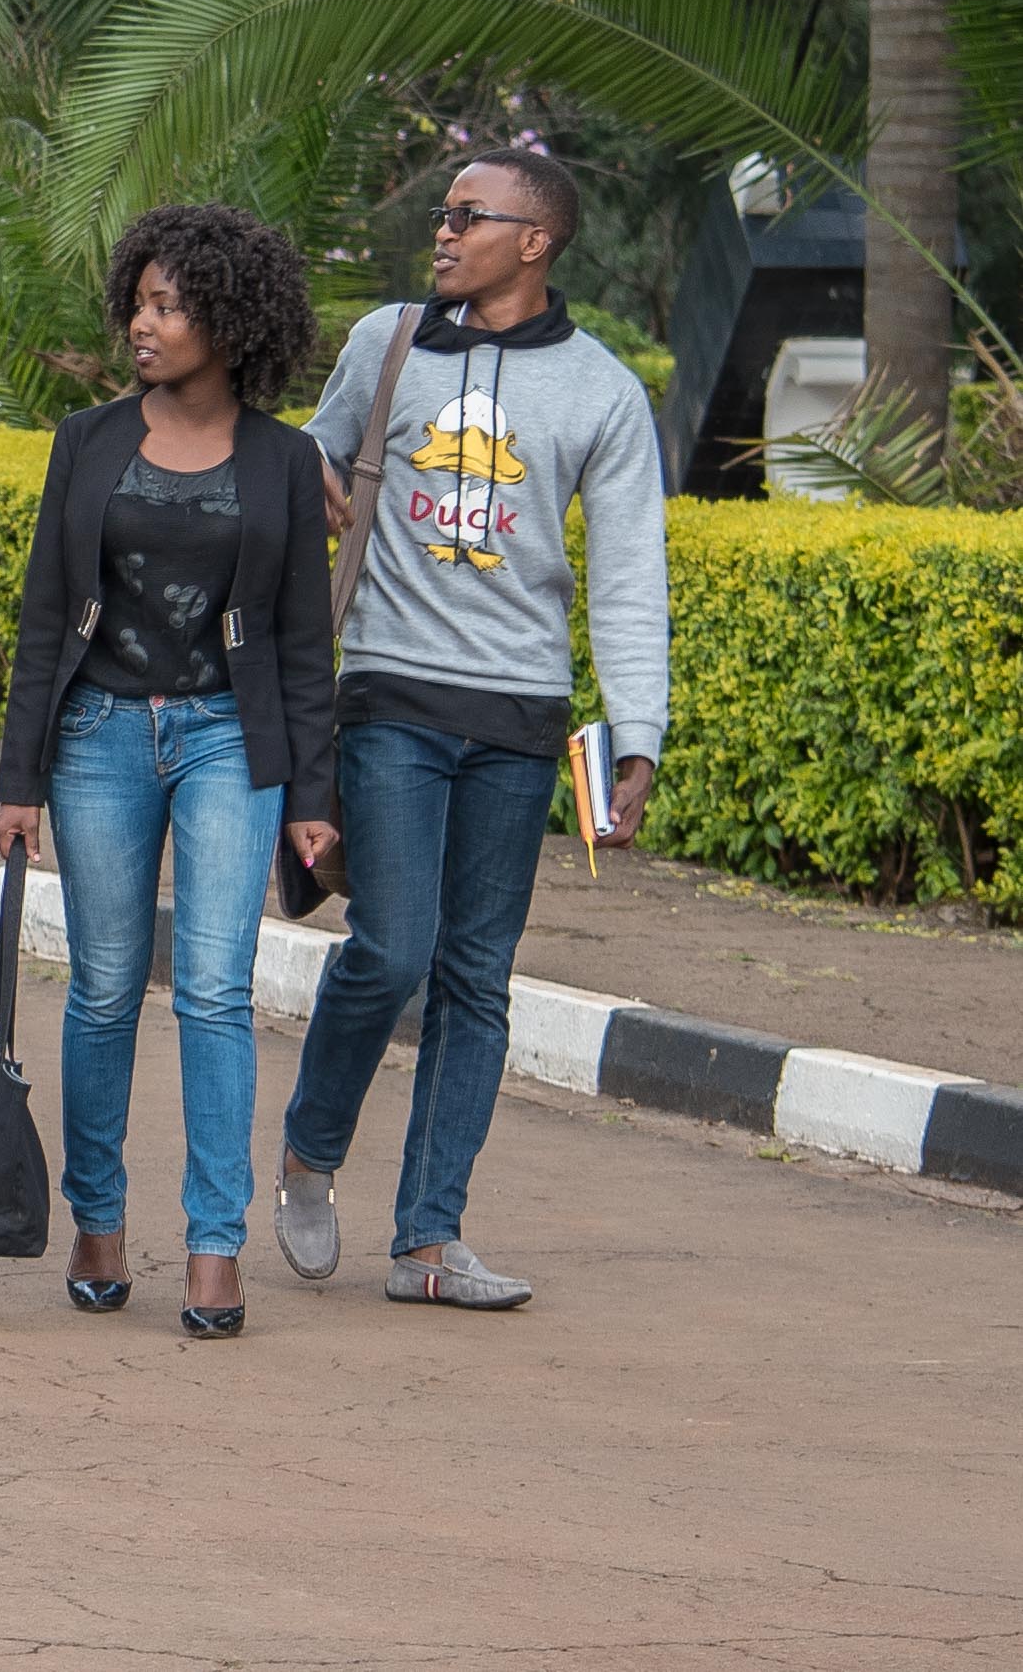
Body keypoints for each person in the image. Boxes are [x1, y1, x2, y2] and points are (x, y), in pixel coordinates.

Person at [275, 148, 668, 1310]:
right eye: (440, 215)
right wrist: (307, 469)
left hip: (518, 716)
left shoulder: (601, 390)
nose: (439, 233)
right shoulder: (385, 342)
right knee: (390, 948)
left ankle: (427, 1240)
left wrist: (633, 728)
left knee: (475, 978)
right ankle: (307, 1153)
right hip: (390, 690)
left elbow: (630, 572)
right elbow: (305, 445)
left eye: (464, 216)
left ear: (532, 241)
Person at [0, 206, 337, 1341]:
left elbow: (299, 642)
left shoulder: (283, 460)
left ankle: (211, 1241)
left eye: (169, 306)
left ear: (226, 322)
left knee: (212, 989)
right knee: (99, 987)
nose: (144, 323)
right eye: (138, 301)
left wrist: (315, 798)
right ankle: (97, 1219)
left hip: (228, 739)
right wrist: (18, 778)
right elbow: (46, 614)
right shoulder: (86, 441)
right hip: (95, 736)